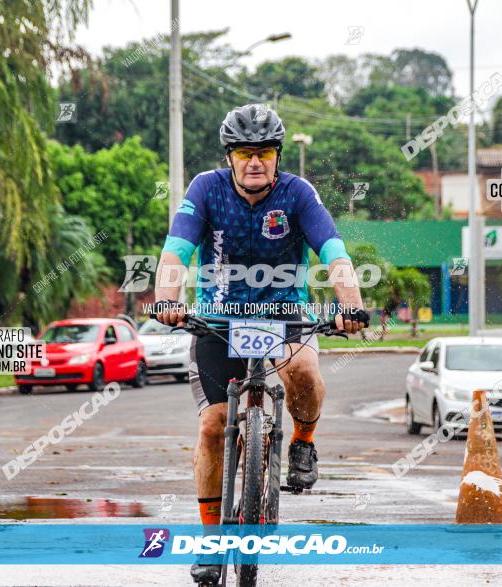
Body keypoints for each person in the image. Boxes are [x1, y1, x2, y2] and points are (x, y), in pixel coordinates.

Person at [153, 103, 368, 584]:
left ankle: (303, 444)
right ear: (230, 156)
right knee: (212, 426)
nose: (255, 162)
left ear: (277, 155)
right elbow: (176, 248)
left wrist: (350, 305)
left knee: (304, 374)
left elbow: (333, 249)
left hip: (285, 310)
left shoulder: (297, 193)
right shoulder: (205, 189)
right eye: (246, 153)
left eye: (265, 152)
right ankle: (212, 541)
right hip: (218, 317)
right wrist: (167, 298)